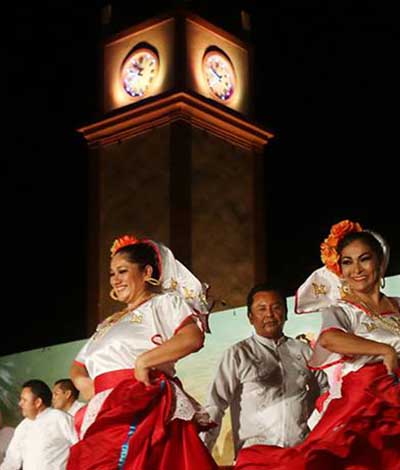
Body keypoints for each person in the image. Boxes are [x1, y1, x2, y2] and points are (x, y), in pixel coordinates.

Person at [235, 220, 400, 469]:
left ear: (379, 260)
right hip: (368, 395)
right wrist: (384, 350)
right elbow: (330, 338)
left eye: (364, 259)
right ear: (340, 270)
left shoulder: (398, 305)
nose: (357, 269)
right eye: (347, 262)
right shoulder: (343, 309)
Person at [67, 235, 217, 470]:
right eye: (112, 273)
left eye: (123, 271)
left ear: (147, 272)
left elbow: (192, 337)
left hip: (143, 401)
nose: (115, 280)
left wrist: (144, 361)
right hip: (106, 408)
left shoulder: (163, 304)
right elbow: (79, 364)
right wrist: (83, 382)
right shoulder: (108, 323)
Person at [202, 283, 328, 461]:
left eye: (276, 307)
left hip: (298, 455)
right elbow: (215, 404)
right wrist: (202, 453)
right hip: (255, 457)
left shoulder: (304, 351)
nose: (269, 314)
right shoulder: (238, 354)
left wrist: (311, 426)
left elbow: (325, 391)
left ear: (285, 313)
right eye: (261, 309)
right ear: (250, 317)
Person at [0, 379, 76, 470]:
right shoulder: (22, 427)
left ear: (38, 402)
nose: (20, 404)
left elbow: (82, 446)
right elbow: (11, 462)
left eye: (24, 400)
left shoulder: (60, 419)